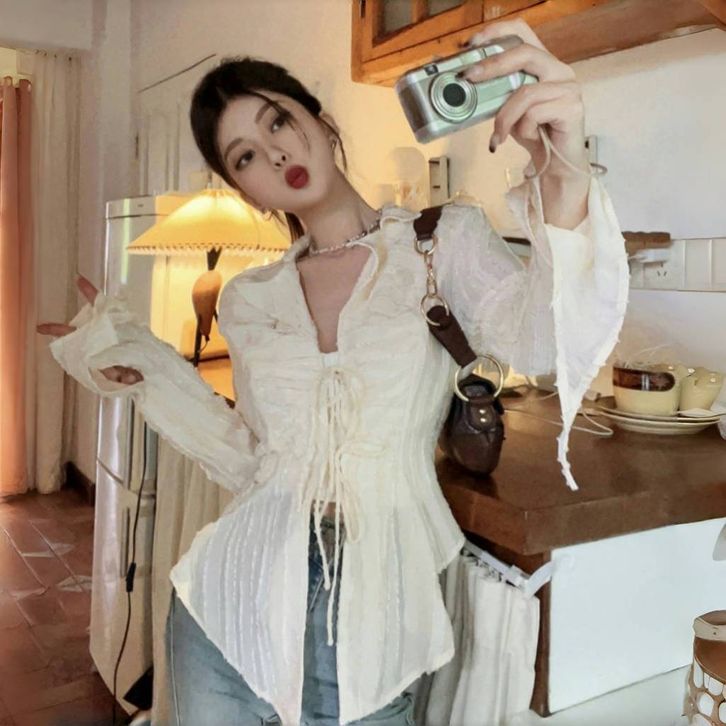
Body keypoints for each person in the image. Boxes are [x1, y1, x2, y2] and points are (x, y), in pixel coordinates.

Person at [38, 18, 629, 726]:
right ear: (249, 193)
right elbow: (251, 458)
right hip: (229, 610)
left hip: (373, 632)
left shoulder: (439, 242)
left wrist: (562, 169)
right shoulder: (249, 299)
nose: (274, 152)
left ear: (319, 120)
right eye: (245, 157)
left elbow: (545, 340)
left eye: (278, 121)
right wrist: (144, 362)